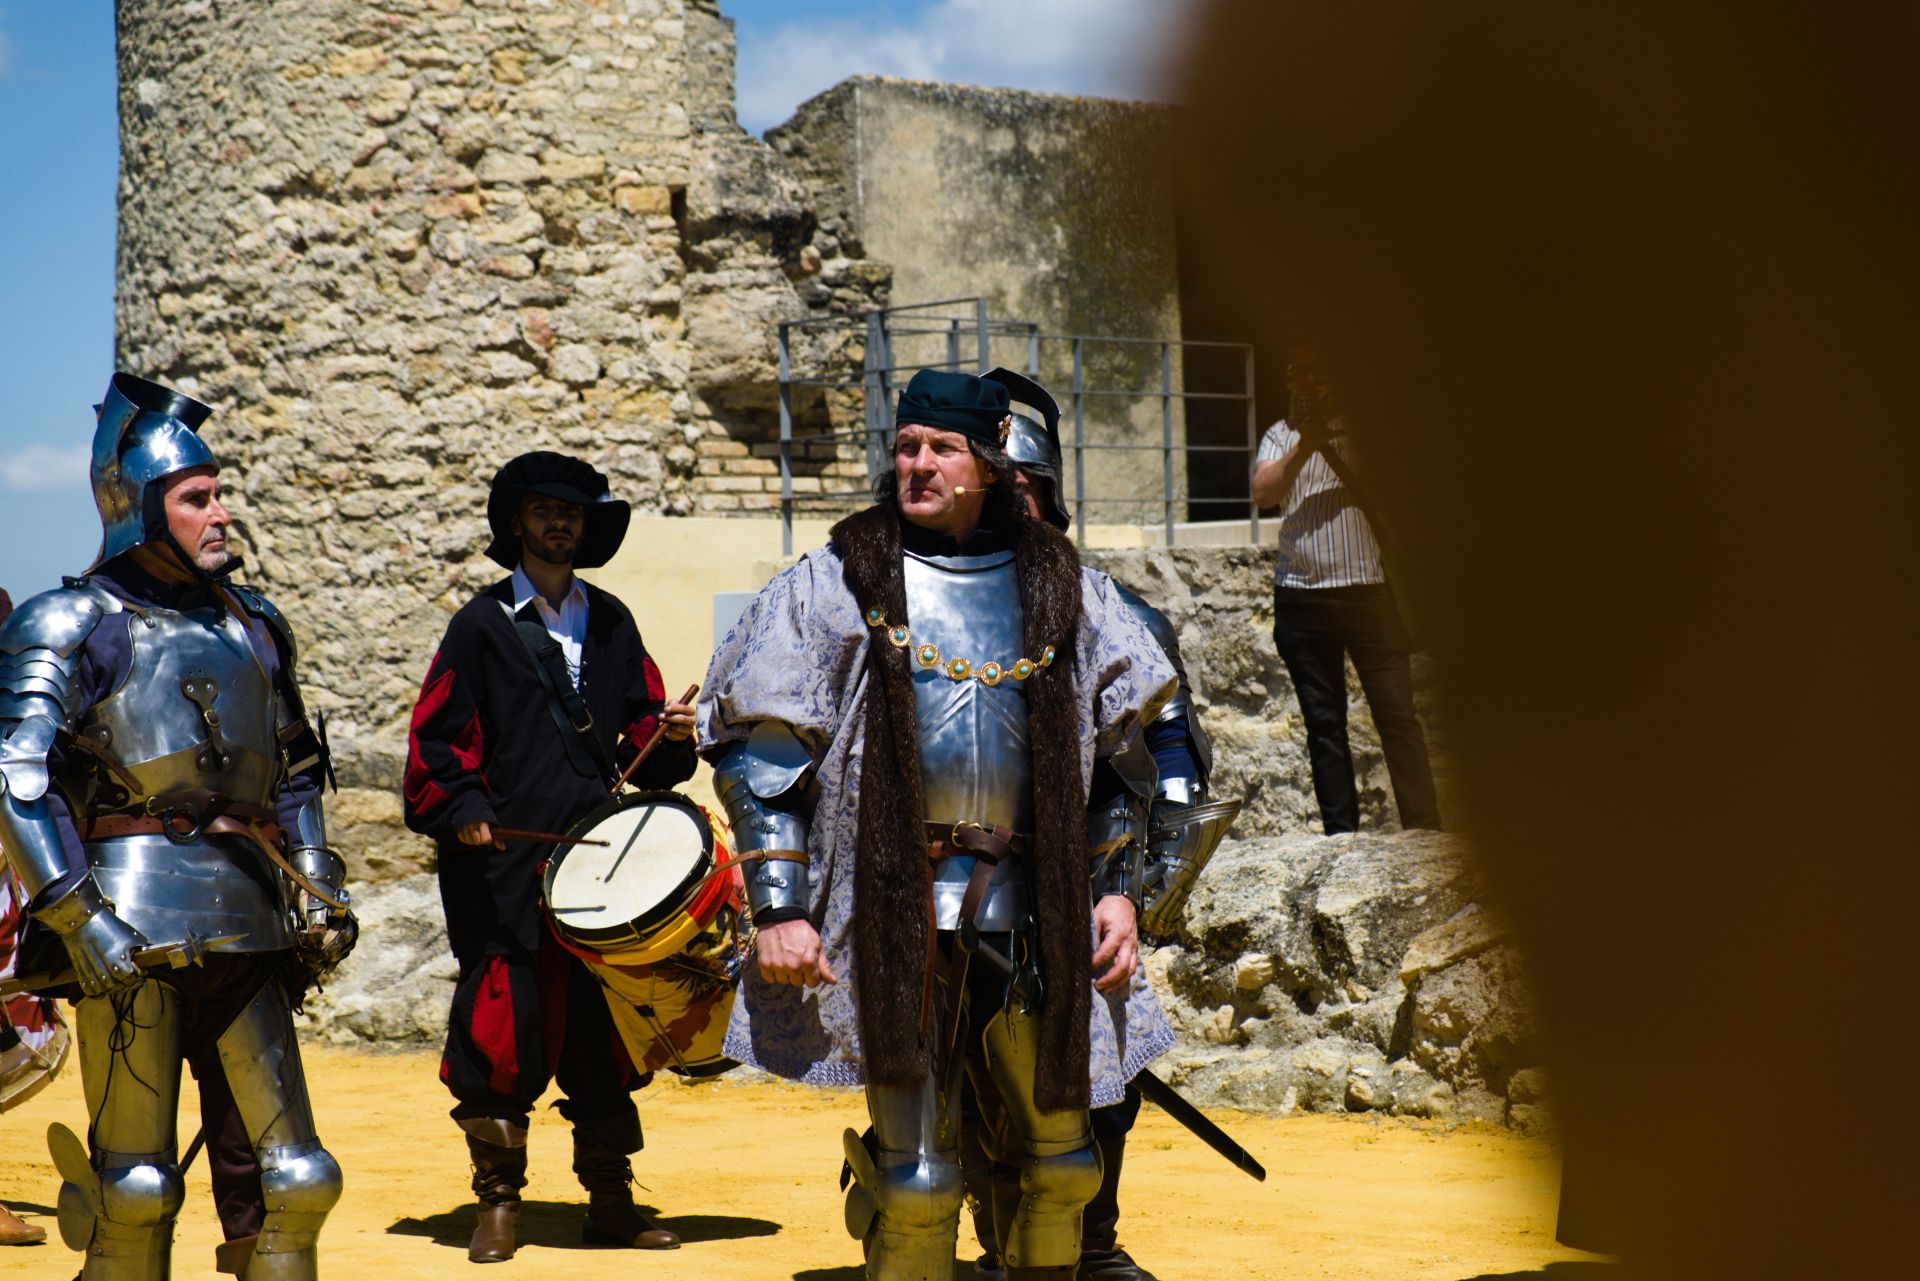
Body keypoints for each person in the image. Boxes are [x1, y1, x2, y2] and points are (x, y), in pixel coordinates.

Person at [699, 368, 1178, 1281]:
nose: (917, 464)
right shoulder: (837, 577)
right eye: (906, 446)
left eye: (941, 448)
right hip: (891, 910)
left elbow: (1126, 755)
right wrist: (780, 908)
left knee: (1065, 1168)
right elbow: (765, 755)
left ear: (989, 464)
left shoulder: (1062, 584)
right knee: (920, 1181)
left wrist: (1116, 895)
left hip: (1037, 913)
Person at [0, 373, 355, 1280]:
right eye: (198, 497)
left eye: (218, 492)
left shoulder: (253, 625)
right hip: (131, 922)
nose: (221, 512)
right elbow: (17, 778)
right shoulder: (73, 622)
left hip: (249, 913)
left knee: (300, 1179)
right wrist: (82, 917)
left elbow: (294, 763)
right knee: (137, 1186)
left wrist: (315, 877)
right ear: (141, 509)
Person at [971, 368, 1241, 1281]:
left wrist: (1138, 889)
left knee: (1106, 1074)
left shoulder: (1117, 611)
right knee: (967, 1074)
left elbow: (1168, 752)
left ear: (1046, 498)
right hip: (956, 877)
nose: (1013, 509)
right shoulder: (929, 608)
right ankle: (992, 1234)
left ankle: (1091, 1240)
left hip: (1086, 873)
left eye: (1024, 490)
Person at [403, 451, 697, 1263]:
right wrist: (465, 811)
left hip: (603, 873)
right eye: (544, 509)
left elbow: (643, 740)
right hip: (504, 875)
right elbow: (436, 743)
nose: (559, 522)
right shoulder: (480, 625)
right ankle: (499, 1203)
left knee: (602, 1042)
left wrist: (670, 737)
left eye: (573, 512)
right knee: (503, 1040)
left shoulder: (612, 622)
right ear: (518, 522)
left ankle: (610, 1201)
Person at [1251, 372, 1440, 834]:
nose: (1310, 390)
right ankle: (1341, 838)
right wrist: (1306, 445)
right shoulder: (1280, 435)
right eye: (1300, 381)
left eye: (1320, 380)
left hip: (1369, 594)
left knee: (1397, 717)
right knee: (1324, 727)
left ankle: (1426, 829)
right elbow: (1263, 492)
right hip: (1301, 598)